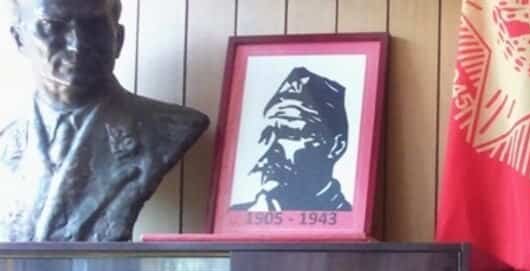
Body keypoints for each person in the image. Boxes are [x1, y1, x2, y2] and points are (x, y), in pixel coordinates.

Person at [0, 0, 208, 241]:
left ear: (118, 39)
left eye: (94, 26)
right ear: (19, 39)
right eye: (52, 26)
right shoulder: (7, 137)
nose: (77, 45)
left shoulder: (170, 128)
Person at [231, 67, 352, 212]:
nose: (270, 151)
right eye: (268, 134)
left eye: (290, 134)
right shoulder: (240, 213)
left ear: (336, 146)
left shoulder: (348, 216)